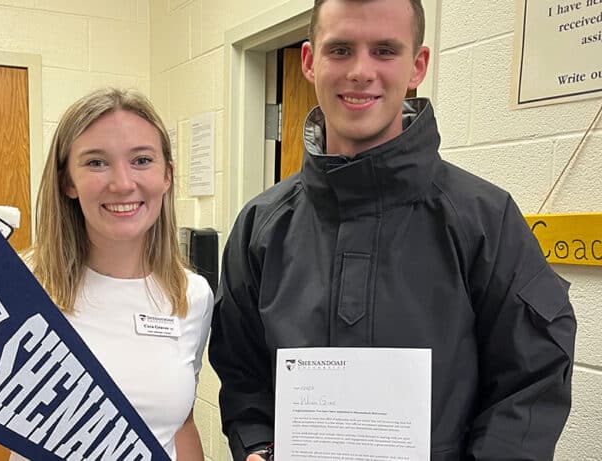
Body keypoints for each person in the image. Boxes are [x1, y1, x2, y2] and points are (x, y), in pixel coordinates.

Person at [208, 0, 576, 460]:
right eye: (340, 50)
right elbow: (242, 373)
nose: (361, 71)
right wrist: (257, 444)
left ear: (418, 65)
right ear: (309, 61)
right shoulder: (260, 227)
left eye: (385, 50)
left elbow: (531, 382)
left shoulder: (486, 220)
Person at [0, 87, 213, 460]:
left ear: (167, 175)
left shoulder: (191, 295)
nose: (122, 183)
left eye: (142, 160)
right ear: (67, 181)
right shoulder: (16, 286)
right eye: (96, 162)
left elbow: (179, 424)